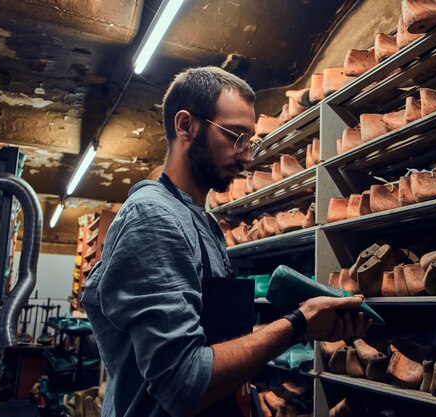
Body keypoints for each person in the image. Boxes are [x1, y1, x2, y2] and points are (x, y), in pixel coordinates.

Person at [81, 66, 371, 417]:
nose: (247, 156)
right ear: (185, 125)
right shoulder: (153, 217)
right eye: (234, 137)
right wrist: (298, 323)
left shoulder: (202, 221)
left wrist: (290, 328)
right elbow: (183, 382)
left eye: (250, 141)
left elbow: (209, 341)